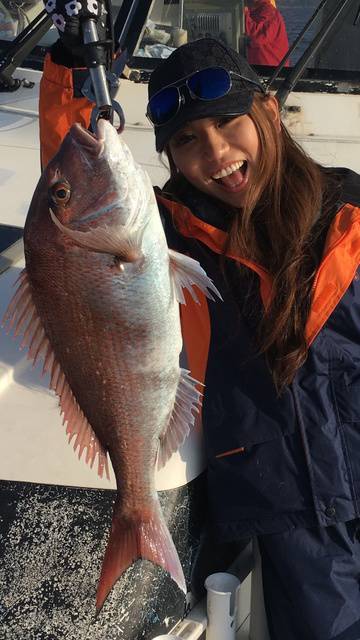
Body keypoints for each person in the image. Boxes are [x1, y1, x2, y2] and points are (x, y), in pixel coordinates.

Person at [39, 3, 360, 638]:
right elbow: (68, 193)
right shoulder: (170, 238)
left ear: (268, 111)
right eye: (187, 140)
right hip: (287, 517)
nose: (215, 154)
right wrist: (72, 68)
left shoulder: (349, 213)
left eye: (227, 123)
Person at [245, 0, 290, 66]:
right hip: (254, 71)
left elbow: (257, 37)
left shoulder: (270, 12)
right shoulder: (253, 10)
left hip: (270, 73)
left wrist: (241, 13)